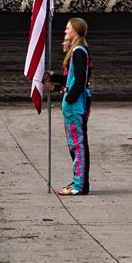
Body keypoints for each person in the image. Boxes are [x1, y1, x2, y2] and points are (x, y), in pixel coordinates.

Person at [47, 18, 93, 195]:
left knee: (78, 144)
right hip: (74, 103)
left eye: (67, 29)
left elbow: (80, 80)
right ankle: (78, 181)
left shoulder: (79, 51)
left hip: (75, 105)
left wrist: (70, 98)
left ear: (76, 31)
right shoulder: (78, 51)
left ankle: (79, 185)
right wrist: (55, 81)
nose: (65, 32)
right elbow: (71, 79)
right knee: (74, 144)